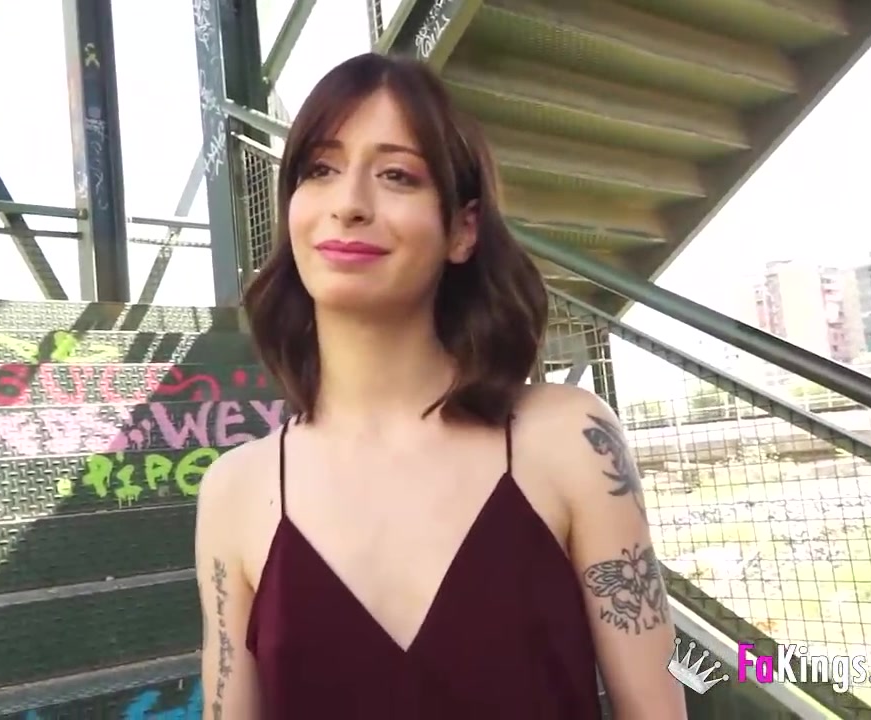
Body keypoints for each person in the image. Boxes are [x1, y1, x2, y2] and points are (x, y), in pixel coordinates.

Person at [194, 52, 686, 719]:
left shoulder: (571, 439)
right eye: (320, 170)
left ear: (462, 228)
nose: (349, 204)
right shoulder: (234, 491)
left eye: (396, 175)